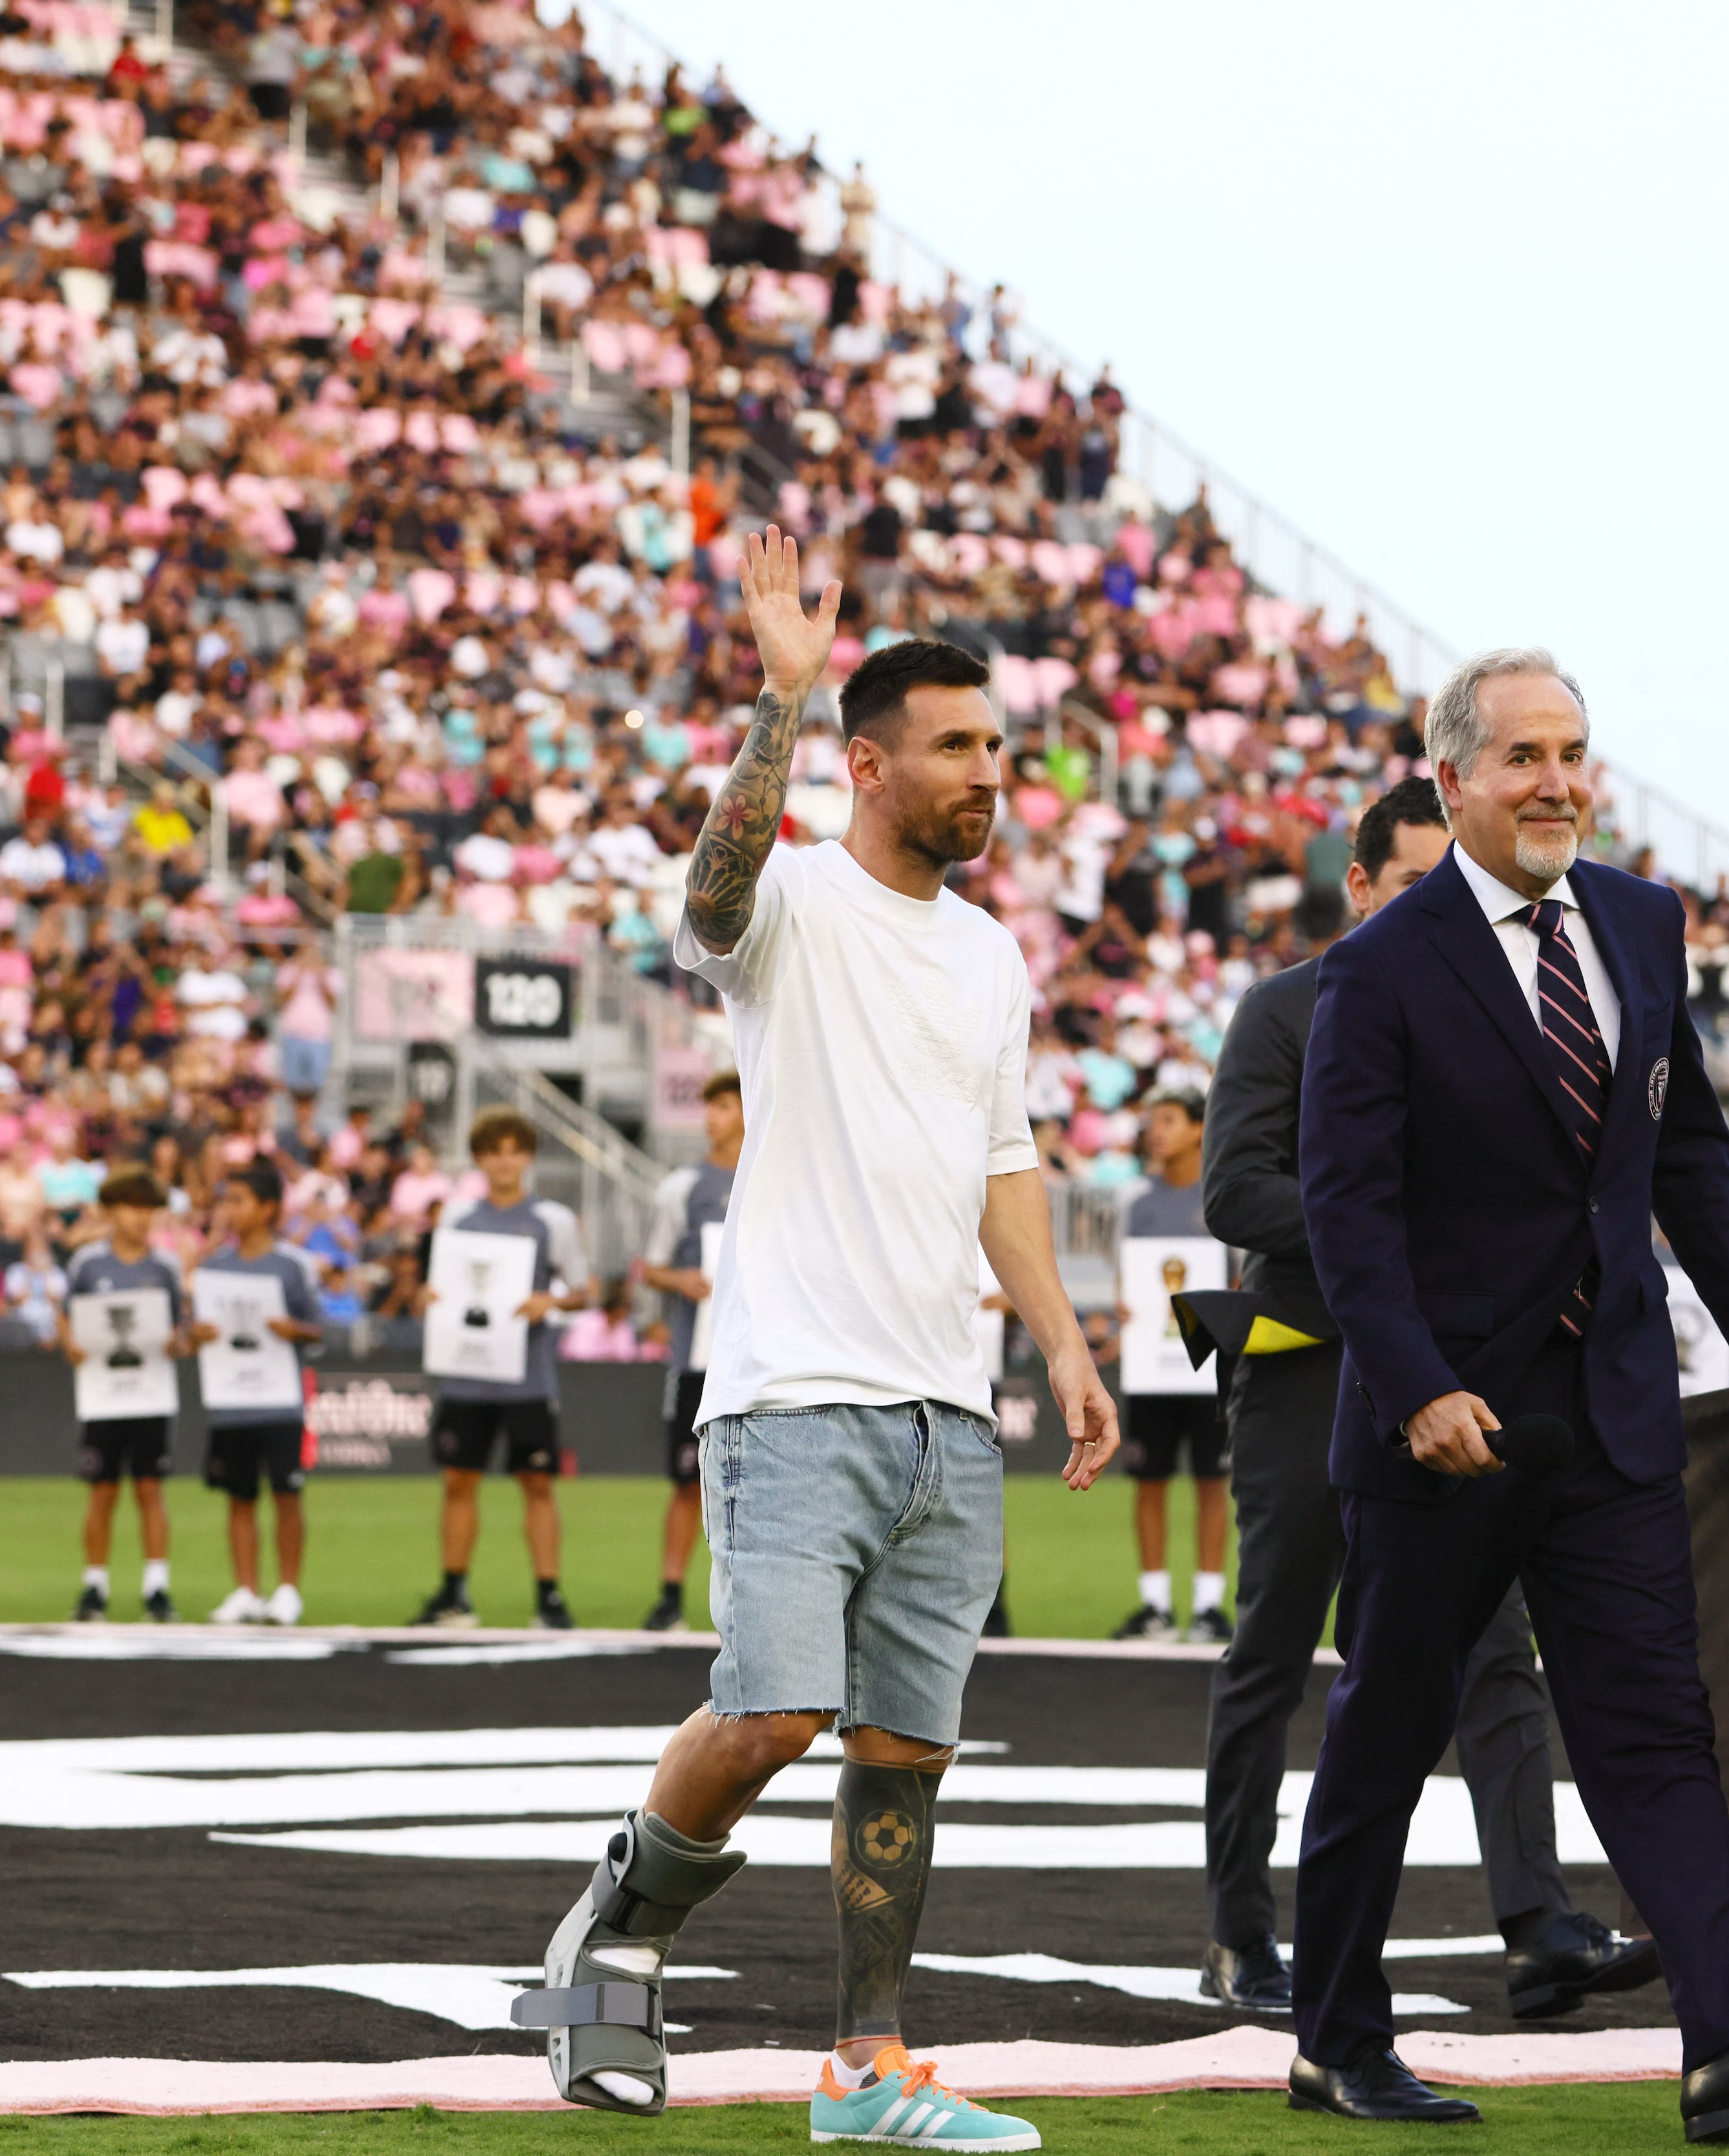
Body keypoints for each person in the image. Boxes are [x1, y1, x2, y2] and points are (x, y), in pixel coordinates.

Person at [518, 531, 1118, 2148]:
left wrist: (1058, 1336)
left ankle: (865, 2071)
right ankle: (616, 1930)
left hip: (946, 1406)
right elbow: (705, 893)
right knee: (774, 1710)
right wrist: (776, 700)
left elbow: (1006, 1163)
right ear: (868, 762)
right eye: (956, 746)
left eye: (995, 746)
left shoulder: (991, 953)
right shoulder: (788, 897)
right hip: (790, 1392)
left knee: (906, 1753)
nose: (989, 773)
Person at [1288, 648, 1729, 2137]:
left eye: (1572, 751)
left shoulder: (1638, 920)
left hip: (1612, 1404)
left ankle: (1728, 2042)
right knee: (1388, 1722)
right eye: (1521, 757)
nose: (1556, 780)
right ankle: (1331, 2037)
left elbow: (1683, 1151)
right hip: (1444, 1430)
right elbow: (1345, 1208)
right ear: (1452, 778)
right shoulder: (1374, 970)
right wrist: (1416, 1383)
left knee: (1651, 1722)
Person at [1197, 776, 1657, 2028]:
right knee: (1277, 1641)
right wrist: (1387, 1230)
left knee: (1497, 1641)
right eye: (1408, 884)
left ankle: (1537, 1922)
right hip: (1309, 1357)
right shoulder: (1283, 1011)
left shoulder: (1499, 1006)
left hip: (1460, 1371)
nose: (1434, 908)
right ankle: (1240, 1928)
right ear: (1357, 886)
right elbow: (1234, 1190)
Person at [412, 1107, 593, 1630]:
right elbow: (437, 1286)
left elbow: (582, 1292)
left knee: (537, 1483)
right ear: (480, 1158)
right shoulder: (457, 1218)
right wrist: (430, 1295)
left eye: (515, 1150)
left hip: (526, 1377)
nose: (505, 1160)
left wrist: (550, 1300)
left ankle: (549, 1596)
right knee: (458, 1482)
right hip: (467, 1373)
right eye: (494, 1150)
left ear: (529, 1158)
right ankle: (453, 1593)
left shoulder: (551, 1220)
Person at [1112, 1084, 1231, 1643]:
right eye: (1152, 1120)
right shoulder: (1140, 1206)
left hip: (1210, 1369)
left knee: (1214, 1482)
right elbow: (1126, 1281)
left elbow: (1240, 1279)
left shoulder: (1224, 1197)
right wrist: (1123, 1306)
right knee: (1149, 1482)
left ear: (1200, 1128)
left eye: (1169, 1119)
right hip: (1153, 1368)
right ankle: (1155, 1605)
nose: (1156, 1130)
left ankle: (1210, 1606)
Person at [198, 1156, 329, 1626]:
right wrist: (199, 1335)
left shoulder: (291, 1265)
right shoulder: (215, 1265)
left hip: (279, 1399)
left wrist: (290, 1327)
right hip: (231, 1400)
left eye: (239, 1200)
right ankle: (246, 1590)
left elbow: (318, 1327)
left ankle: (288, 1588)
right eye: (226, 1201)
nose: (230, 1210)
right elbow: (195, 1328)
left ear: (269, 1207)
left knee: (287, 1495)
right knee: (239, 1496)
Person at [57, 1167, 191, 1623]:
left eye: (148, 1209)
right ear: (112, 1211)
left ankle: (157, 1584)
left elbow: (179, 1327)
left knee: (151, 1489)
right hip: (103, 1394)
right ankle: (95, 1583)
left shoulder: (165, 1266)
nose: (140, 1218)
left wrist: (178, 1342)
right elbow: (65, 1315)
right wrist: (70, 1342)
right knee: (102, 1491)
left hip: (151, 1393)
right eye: (132, 1208)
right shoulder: (88, 1264)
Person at [635, 1071, 743, 1632]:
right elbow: (648, 1266)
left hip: (762, 1364)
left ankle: (752, 1606)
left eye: (725, 1105)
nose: (713, 1117)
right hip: (698, 1360)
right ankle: (670, 1595)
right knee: (685, 1483)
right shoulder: (682, 1187)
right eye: (711, 1106)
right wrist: (682, 1280)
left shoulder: (780, 1177)